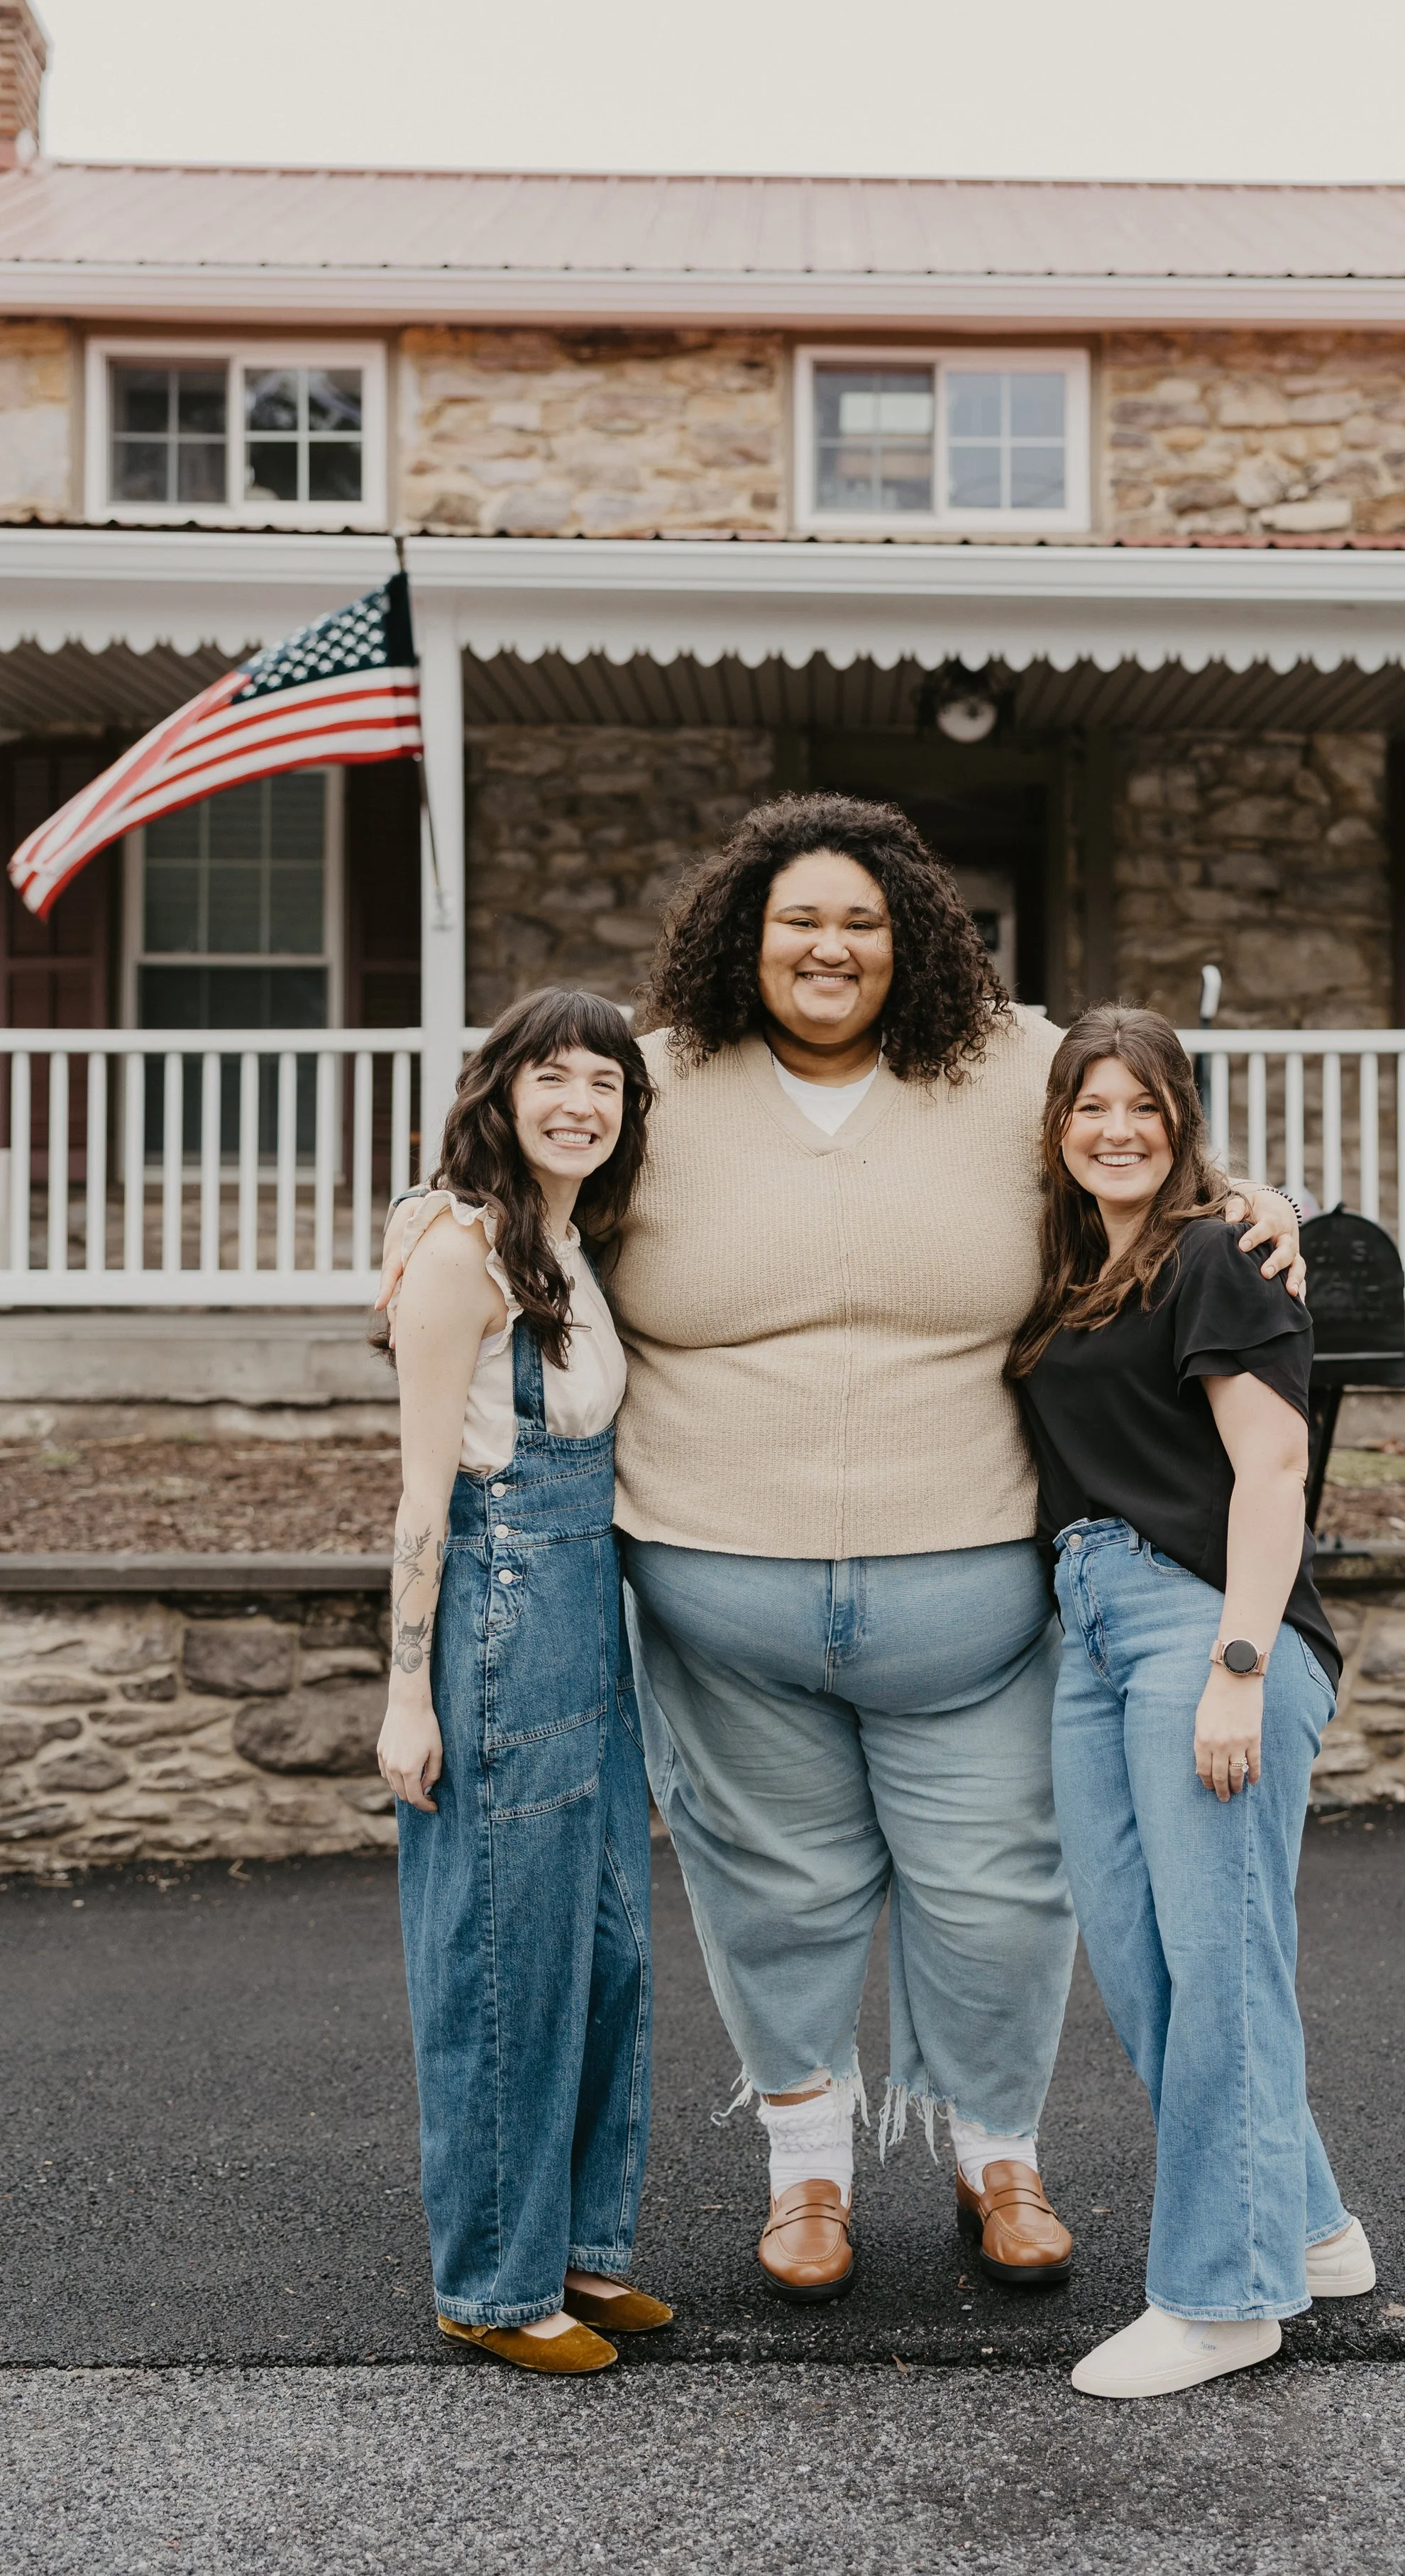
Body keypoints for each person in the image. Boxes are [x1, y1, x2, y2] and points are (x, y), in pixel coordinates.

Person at [381, 796, 1306, 2306]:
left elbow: (1141, 1141)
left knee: (997, 1894)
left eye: (862, 922)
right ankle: (803, 2173)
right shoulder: (656, 1077)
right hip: (715, 1589)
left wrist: (1255, 1200)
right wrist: (422, 1217)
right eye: (798, 920)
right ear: (744, 936)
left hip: (973, 1592)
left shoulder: (1014, 1063)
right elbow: (511, 1165)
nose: (828, 946)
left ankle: (995, 2156)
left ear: (914, 939)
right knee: (772, 1893)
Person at [1008, 1005, 1374, 2401]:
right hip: (1090, 1620)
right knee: (1147, 1963)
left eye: (1141, 1108)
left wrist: (1237, 1666)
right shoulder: (1069, 1272)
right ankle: (1308, 2225)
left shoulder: (1218, 1254)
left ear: (1180, 1124)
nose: (1113, 1129)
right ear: (1055, 1127)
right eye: (1087, 1107)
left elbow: (1271, 1477)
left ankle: (1225, 2298)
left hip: (1206, 1621)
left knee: (1221, 1960)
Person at [373, 987, 671, 2374]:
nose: (579, 1104)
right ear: (499, 1091)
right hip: (493, 1611)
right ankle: (491, 2286)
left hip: (586, 1615)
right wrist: (405, 1694)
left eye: (605, 1085)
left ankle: (575, 2248)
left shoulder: (570, 1241)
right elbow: (422, 1501)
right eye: (551, 1077)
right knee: (503, 1951)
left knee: (605, 1938)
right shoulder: (459, 1250)